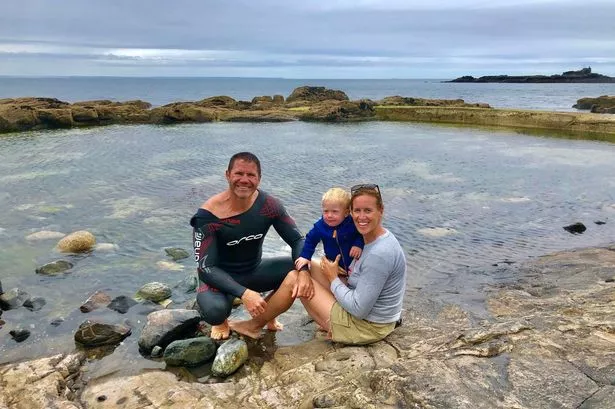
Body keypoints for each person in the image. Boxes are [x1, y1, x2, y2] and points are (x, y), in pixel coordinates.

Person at [231, 184, 407, 345]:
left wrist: (332, 278)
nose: (361, 217)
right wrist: (308, 271)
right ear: (349, 213)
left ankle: (253, 326)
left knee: (294, 280)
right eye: (357, 211)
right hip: (363, 309)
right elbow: (313, 239)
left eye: (368, 211)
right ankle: (268, 320)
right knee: (300, 269)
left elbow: (359, 309)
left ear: (381, 210)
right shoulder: (373, 238)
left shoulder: (380, 254)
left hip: (366, 328)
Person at [190, 152, 313, 340]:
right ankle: (222, 322)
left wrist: (304, 270)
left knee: (302, 269)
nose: (244, 180)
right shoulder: (208, 216)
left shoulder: (269, 206)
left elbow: (297, 240)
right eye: (239, 174)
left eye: (251, 175)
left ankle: (266, 317)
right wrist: (245, 294)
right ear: (227, 175)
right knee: (214, 311)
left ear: (259, 179)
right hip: (219, 279)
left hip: (253, 269)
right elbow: (206, 267)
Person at [294, 187, 364, 280]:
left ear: (346, 213)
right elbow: (310, 239)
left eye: (334, 212)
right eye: (326, 211)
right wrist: (305, 256)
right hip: (334, 266)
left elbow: (363, 233)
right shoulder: (321, 226)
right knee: (295, 273)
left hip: (355, 265)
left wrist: (358, 244)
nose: (329, 215)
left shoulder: (352, 223)